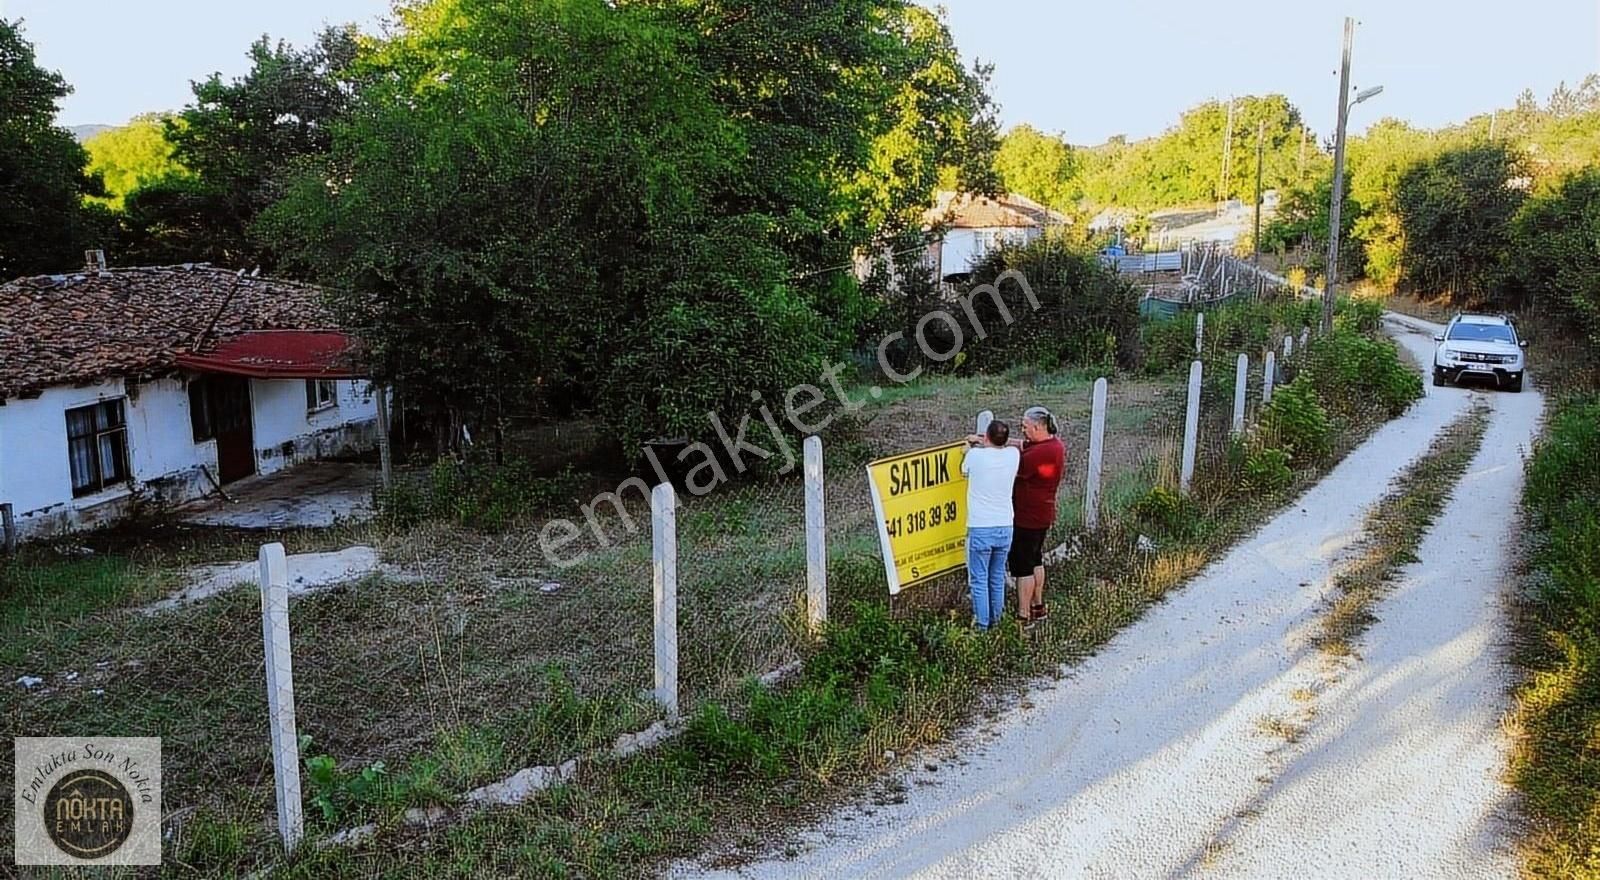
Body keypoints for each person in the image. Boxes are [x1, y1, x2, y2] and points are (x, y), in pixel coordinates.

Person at [962, 419, 1020, 630]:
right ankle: (997, 621)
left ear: (985, 437)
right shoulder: (1013, 455)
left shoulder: (974, 456)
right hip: (1005, 525)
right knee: (996, 576)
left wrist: (971, 444)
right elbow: (1012, 444)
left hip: (981, 526)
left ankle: (982, 626)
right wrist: (984, 440)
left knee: (979, 579)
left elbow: (964, 470)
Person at [1011, 405, 1065, 626]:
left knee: (1023, 566)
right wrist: (1000, 440)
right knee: (1035, 559)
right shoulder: (1053, 446)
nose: (1023, 431)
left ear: (1036, 426)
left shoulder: (1037, 454)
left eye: (1025, 427)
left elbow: (1015, 466)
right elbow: (1024, 444)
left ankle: (1024, 616)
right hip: (1043, 512)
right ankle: (1038, 605)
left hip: (1027, 515)